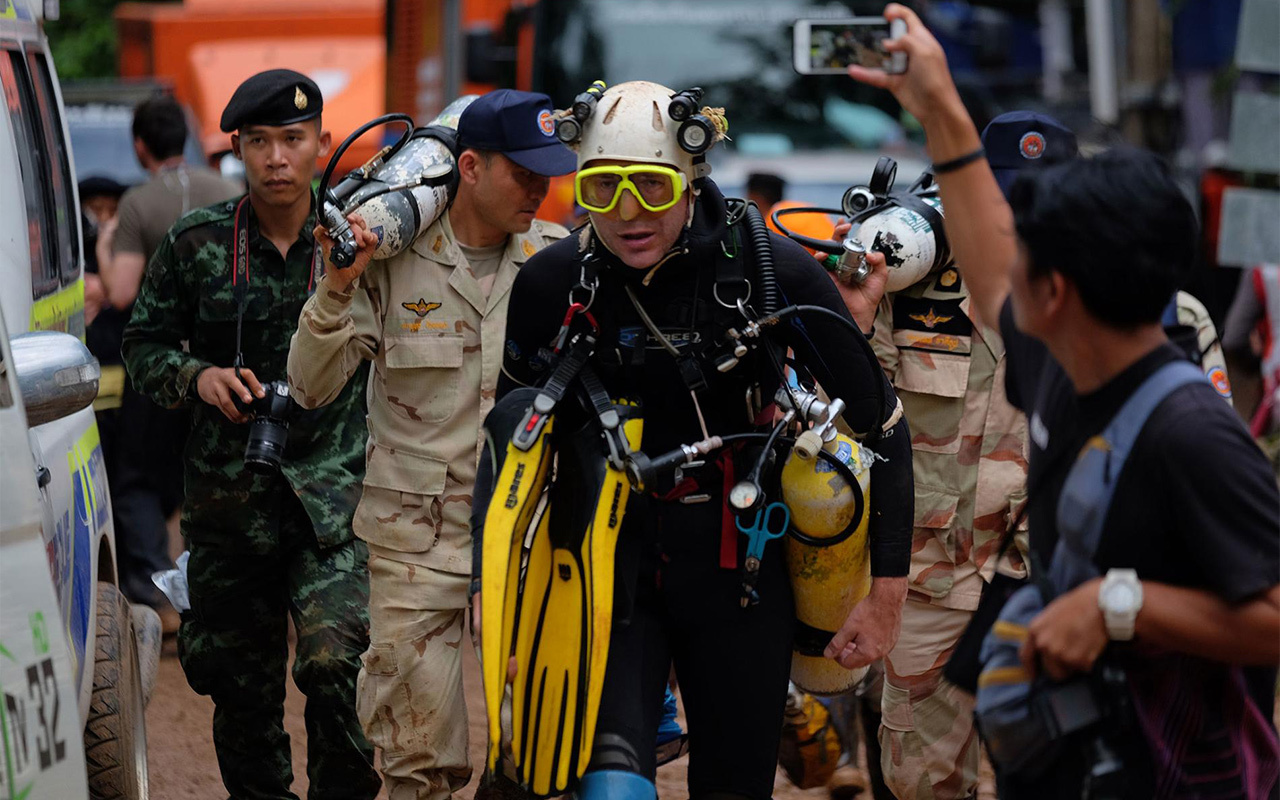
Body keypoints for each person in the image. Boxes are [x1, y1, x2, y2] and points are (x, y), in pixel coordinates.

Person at [848, 6, 1279, 797]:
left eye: (1028, 251)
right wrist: (940, 106)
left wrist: (1121, 604)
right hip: (1068, 747)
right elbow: (983, 267)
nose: (1000, 273)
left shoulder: (1188, 431)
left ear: (1062, 289)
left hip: (1170, 767)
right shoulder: (1059, 367)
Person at [473, 80, 915, 799]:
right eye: (602, 187)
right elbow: (514, 454)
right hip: (603, 568)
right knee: (610, 791)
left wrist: (886, 595)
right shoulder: (554, 283)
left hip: (741, 570)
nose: (626, 213)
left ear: (690, 178)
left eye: (649, 187)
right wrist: (499, 599)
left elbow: (884, 430)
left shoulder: (770, 270)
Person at [287, 88, 574, 798]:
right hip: (414, 545)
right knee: (418, 763)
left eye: (547, 171)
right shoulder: (391, 262)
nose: (539, 187)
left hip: (531, 540)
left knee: (540, 753)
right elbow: (309, 386)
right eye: (522, 171)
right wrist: (335, 288)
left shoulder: (559, 263)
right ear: (469, 167)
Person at [122, 69, 380, 799]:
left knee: (336, 668)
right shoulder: (196, 243)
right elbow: (141, 346)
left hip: (330, 505)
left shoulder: (358, 245)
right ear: (236, 148)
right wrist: (197, 377)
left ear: (322, 144)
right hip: (229, 506)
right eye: (258, 141)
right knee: (241, 696)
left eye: (292, 140)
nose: (275, 158)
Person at [98, 93, 241, 311]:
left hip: (171, 338)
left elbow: (121, 293)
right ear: (183, 137)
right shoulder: (231, 189)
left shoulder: (136, 203)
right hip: (232, 330)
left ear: (139, 146)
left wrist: (102, 246)